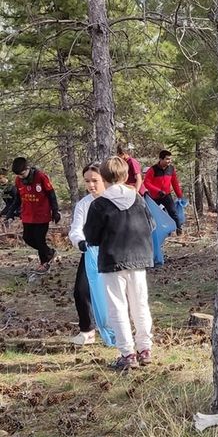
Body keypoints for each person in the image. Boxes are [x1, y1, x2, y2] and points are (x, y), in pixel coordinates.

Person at [83, 157, 155, 371]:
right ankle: (145, 348)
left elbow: (92, 236)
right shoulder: (138, 199)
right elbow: (150, 224)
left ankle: (127, 353)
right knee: (140, 304)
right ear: (126, 176)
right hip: (139, 259)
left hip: (112, 260)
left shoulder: (99, 204)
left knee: (118, 308)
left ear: (104, 177)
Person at [68, 162, 105, 346]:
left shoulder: (114, 199)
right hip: (90, 252)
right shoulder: (83, 204)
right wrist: (81, 242)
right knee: (81, 291)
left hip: (114, 254)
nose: (91, 185)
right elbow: (75, 229)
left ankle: (116, 330)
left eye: (95, 180)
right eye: (87, 181)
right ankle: (87, 330)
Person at [7, 157, 60, 274]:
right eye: (18, 175)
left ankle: (44, 263)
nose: (21, 177)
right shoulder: (18, 180)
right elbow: (18, 199)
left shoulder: (40, 176)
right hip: (27, 215)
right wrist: (10, 213)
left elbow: (51, 194)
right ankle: (49, 252)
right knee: (27, 238)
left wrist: (55, 211)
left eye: (22, 174)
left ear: (27, 168)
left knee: (39, 239)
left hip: (42, 214)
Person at [143, 150, 184, 235]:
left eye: (170, 159)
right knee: (154, 214)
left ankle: (179, 229)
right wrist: (157, 191)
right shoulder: (152, 169)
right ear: (161, 159)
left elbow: (175, 183)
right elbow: (146, 183)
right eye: (167, 159)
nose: (169, 161)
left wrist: (179, 195)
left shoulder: (171, 169)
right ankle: (154, 231)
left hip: (166, 195)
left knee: (173, 212)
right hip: (154, 197)